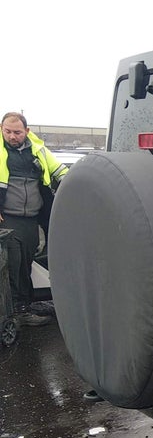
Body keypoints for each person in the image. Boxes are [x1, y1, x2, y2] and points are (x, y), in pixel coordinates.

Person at [0, 112, 69, 326]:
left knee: (26, 264)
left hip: (32, 220)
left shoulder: (38, 151)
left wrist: (76, 188)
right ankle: (18, 311)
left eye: (17, 132)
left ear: (27, 132)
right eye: (7, 131)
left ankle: (26, 304)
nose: (12, 136)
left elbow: (62, 172)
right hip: (7, 221)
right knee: (13, 265)